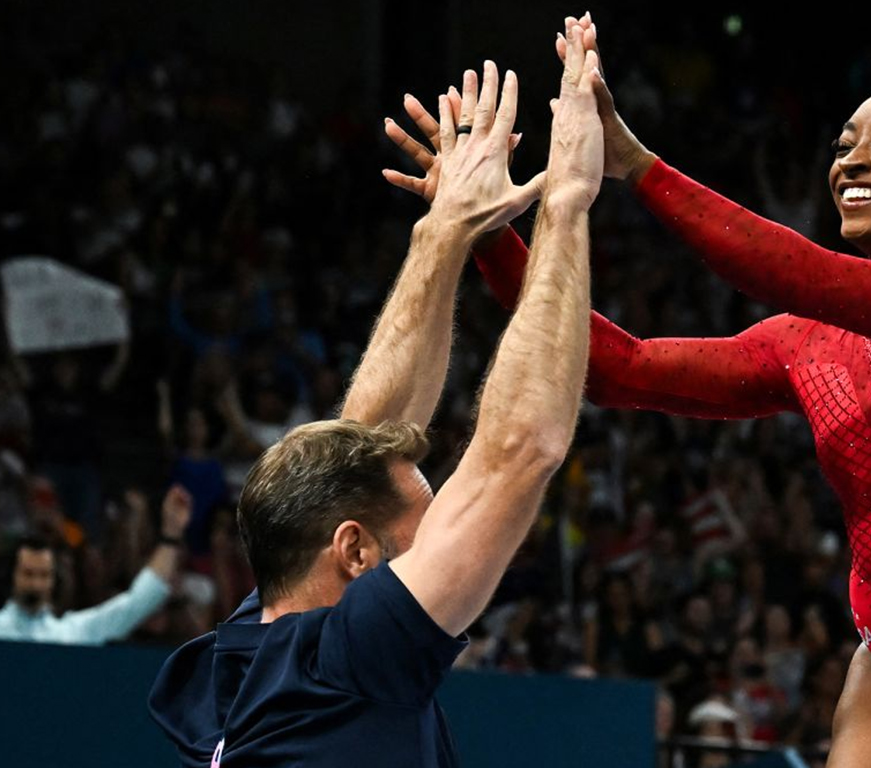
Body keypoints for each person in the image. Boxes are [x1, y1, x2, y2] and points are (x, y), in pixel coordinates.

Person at [385, 14, 871, 767]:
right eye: (845, 146)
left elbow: (796, 272)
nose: (853, 161)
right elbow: (616, 369)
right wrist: (491, 232)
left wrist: (637, 165)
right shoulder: (807, 342)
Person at [148, 27, 603, 767]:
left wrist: (445, 230)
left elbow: (353, 445)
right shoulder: (350, 661)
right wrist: (570, 199)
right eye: (422, 540)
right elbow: (520, 450)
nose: (441, 550)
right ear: (355, 550)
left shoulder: (252, 644)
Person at [0, 485, 190, 645]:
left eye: (43, 575)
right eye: (28, 574)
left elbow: (133, 605)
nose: (36, 584)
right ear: (12, 575)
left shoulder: (68, 635)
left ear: (54, 579)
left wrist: (170, 537)